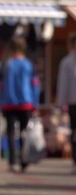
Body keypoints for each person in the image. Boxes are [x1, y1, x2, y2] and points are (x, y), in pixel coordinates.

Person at [0, 36, 40, 173]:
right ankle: (24, 159)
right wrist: (35, 103)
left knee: (11, 132)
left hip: (9, 102)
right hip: (26, 102)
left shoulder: (6, 64)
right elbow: (35, 85)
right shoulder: (28, 64)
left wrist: (1, 102)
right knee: (24, 132)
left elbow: (1, 86)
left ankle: (12, 161)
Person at [56, 32, 76, 174]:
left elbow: (63, 84)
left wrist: (60, 103)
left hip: (73, 102)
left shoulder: (67, 61)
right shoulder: (67, 61)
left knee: (74, 132)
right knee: (74, 132)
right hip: (72, 102)